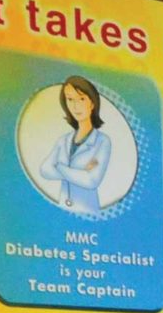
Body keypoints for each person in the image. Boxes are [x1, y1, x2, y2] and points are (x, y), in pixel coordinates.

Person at [39, 75, 112, 214]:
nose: (75, 106)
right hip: (63, 209)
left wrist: (59, 167)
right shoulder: (63, 140)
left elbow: (91, 180)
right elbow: (45, 170)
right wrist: (80, 172)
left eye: (82, 99)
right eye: (70, 99)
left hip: (88, 212)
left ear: (92, 103)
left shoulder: (102, 141)